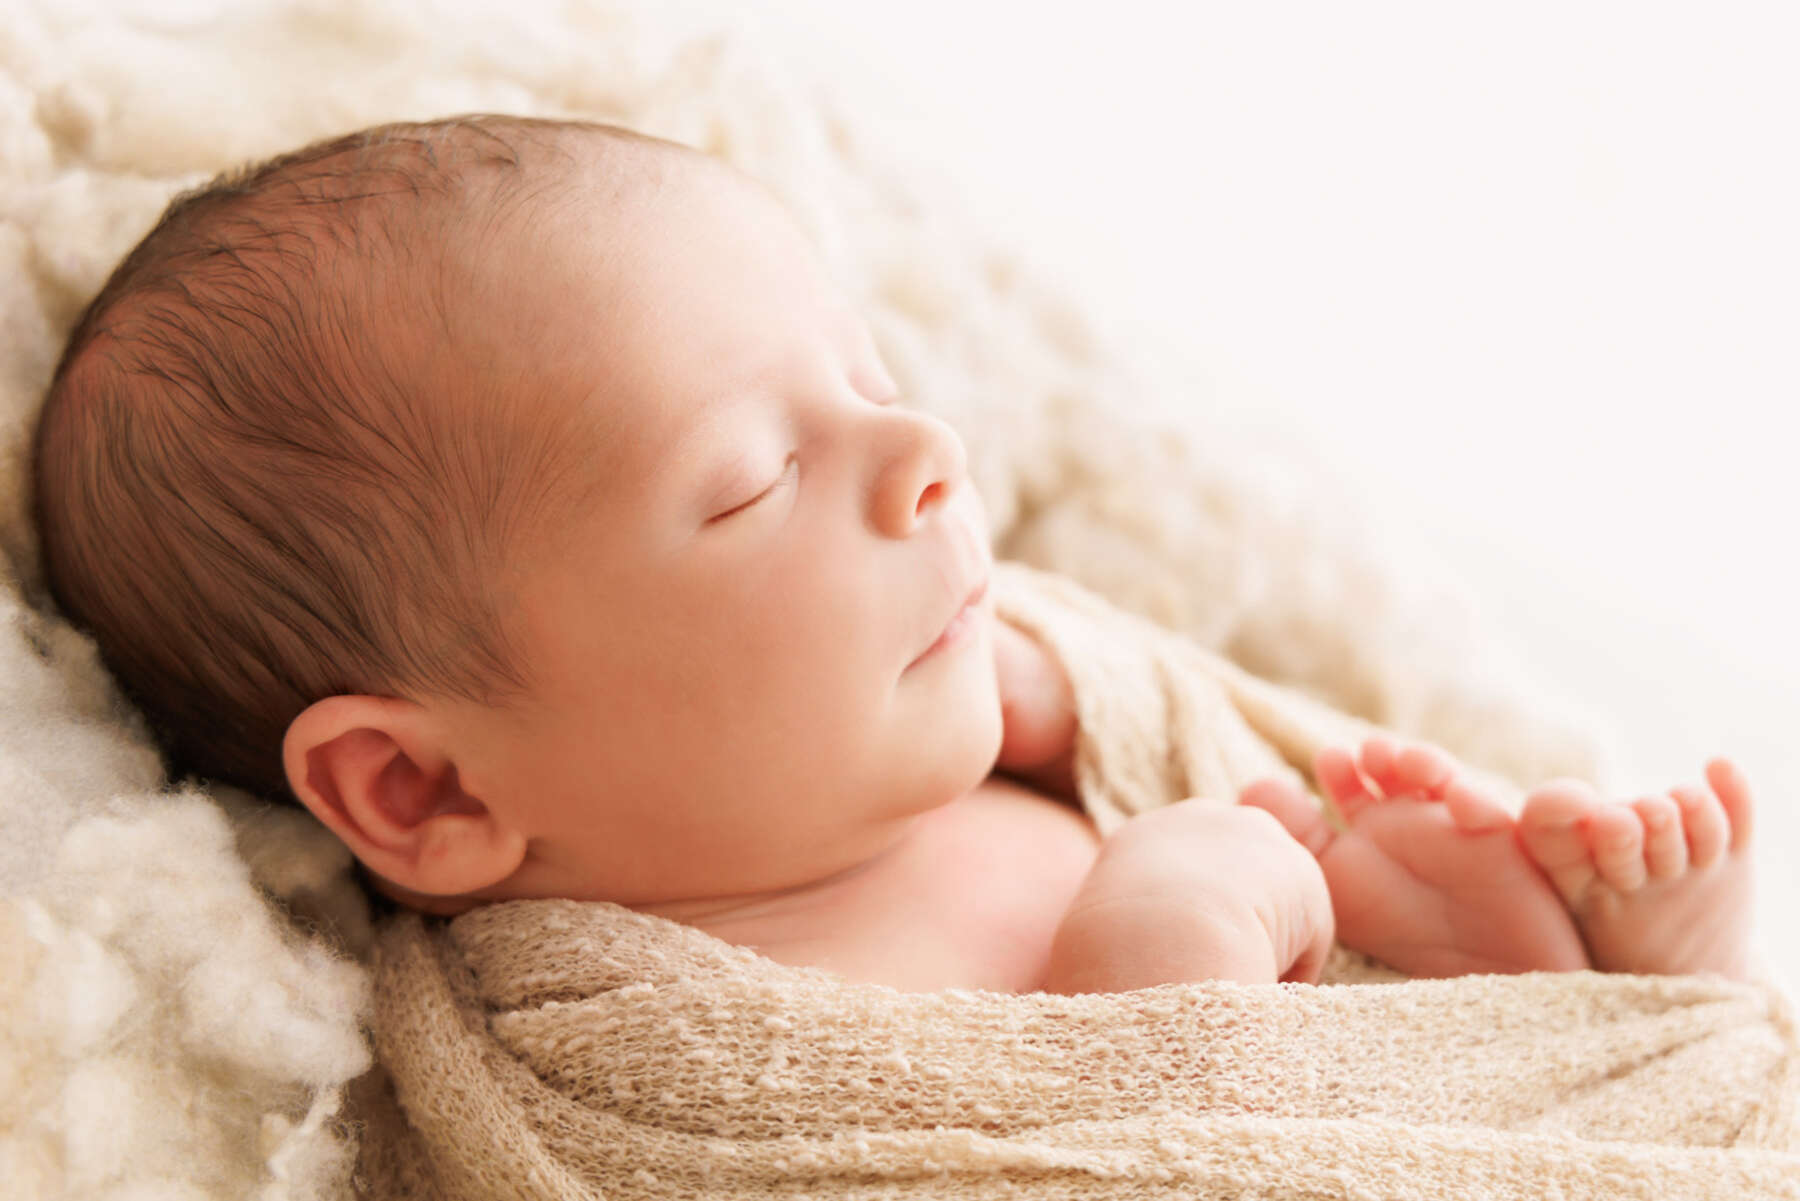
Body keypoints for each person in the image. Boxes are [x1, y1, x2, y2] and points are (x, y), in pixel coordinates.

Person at [29, 114, 1758, 996]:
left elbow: (1231, 782)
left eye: (869, 382)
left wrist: (1508, 943)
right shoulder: (669, 1042)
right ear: (418, 792)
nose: (929, 458)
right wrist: (1166, 961)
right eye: (753, 481)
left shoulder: (1007, 713)